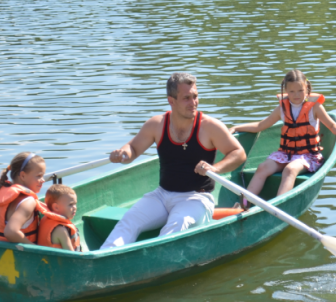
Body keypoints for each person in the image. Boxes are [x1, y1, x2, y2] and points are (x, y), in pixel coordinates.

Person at [99, 72, 246, 249]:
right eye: (186, 98)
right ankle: (101, 261)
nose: (193, 103)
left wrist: (215, 168)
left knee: (176, 225)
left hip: (196, 198)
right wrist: (123, 153)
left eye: (195, 96)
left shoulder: (209, 126)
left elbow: (238, 153)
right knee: (129, 221)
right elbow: (134, 149)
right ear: (171, 101)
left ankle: (152, 267)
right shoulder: (157, 124)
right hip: (162, 195)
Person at [230, 70, 336, 207]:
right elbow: (261, 125)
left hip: (308, 156)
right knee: (262, 167)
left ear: (307, 88)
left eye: (300, 90)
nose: (296, 95)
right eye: (292, 91)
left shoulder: (315, 107)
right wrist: (236, 128)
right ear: (286, 90)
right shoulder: (282, 108)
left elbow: (331, 124)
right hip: (286, 154)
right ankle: (245, 204)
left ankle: (278, 207)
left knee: (290, 170)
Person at [0, 152, 48, 245]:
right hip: (18, 257)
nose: (43, 180)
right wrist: (36, 249)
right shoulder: (28, 202)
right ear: (22, 176)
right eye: (39, 176)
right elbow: (11, 232)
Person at [38, 184, 81, 251]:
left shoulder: (45, 219)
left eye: (75, 204)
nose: (75, 207)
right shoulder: (60, 230)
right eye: (71, 204)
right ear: (56, 207)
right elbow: (72, 256)